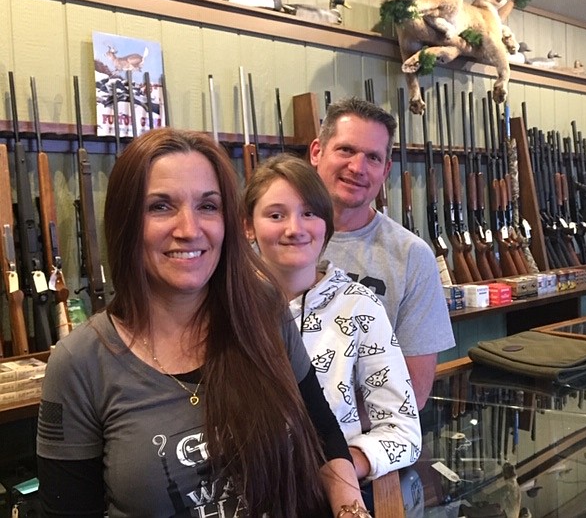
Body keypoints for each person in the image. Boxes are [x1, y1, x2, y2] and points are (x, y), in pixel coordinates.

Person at [36, 128, 371, 518]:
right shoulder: (80, 363)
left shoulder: (263, 312)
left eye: (208, 206)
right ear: (126, 220)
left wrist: (353, 511)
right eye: (160, 206)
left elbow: (323, 432)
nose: (189, 229)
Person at [243, 154, 422, 482]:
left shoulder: (359, 306)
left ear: (326, 224)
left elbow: (403, 431)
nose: (294, 229)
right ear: (248, 226)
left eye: (309, 213)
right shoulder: (227, 308)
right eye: (276, 214)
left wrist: (341, 468)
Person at [309, 97, 456, 410]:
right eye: (346, 150)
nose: (358, 168)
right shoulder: (270, 243)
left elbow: (412, 392)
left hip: (363, 447)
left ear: (386, 169)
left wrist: (332, 442)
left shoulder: (412, 256)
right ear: (316, 153)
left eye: (373, 157)